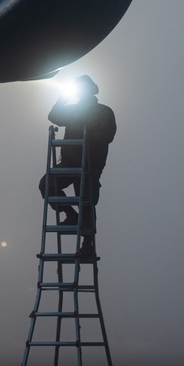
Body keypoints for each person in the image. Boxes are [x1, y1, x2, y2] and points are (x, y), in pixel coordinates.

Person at [38, 75, 116, 257]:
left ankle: (88, 244)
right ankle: (70, 213)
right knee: (47, 185)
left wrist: (85, 141)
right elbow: (54, 116)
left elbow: (107, 135)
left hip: (90, 165)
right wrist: (63, 98)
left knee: (86, 202)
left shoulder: (103, 112)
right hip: (68, 163)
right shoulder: (73, 111)